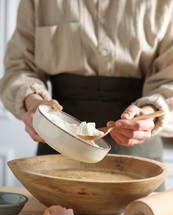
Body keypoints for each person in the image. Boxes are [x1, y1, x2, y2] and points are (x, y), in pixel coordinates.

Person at [0, 0, 173, 162]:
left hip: (139, 156)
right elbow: (19, 67)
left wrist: (149, 113)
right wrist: (34, 102)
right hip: (59, 150)